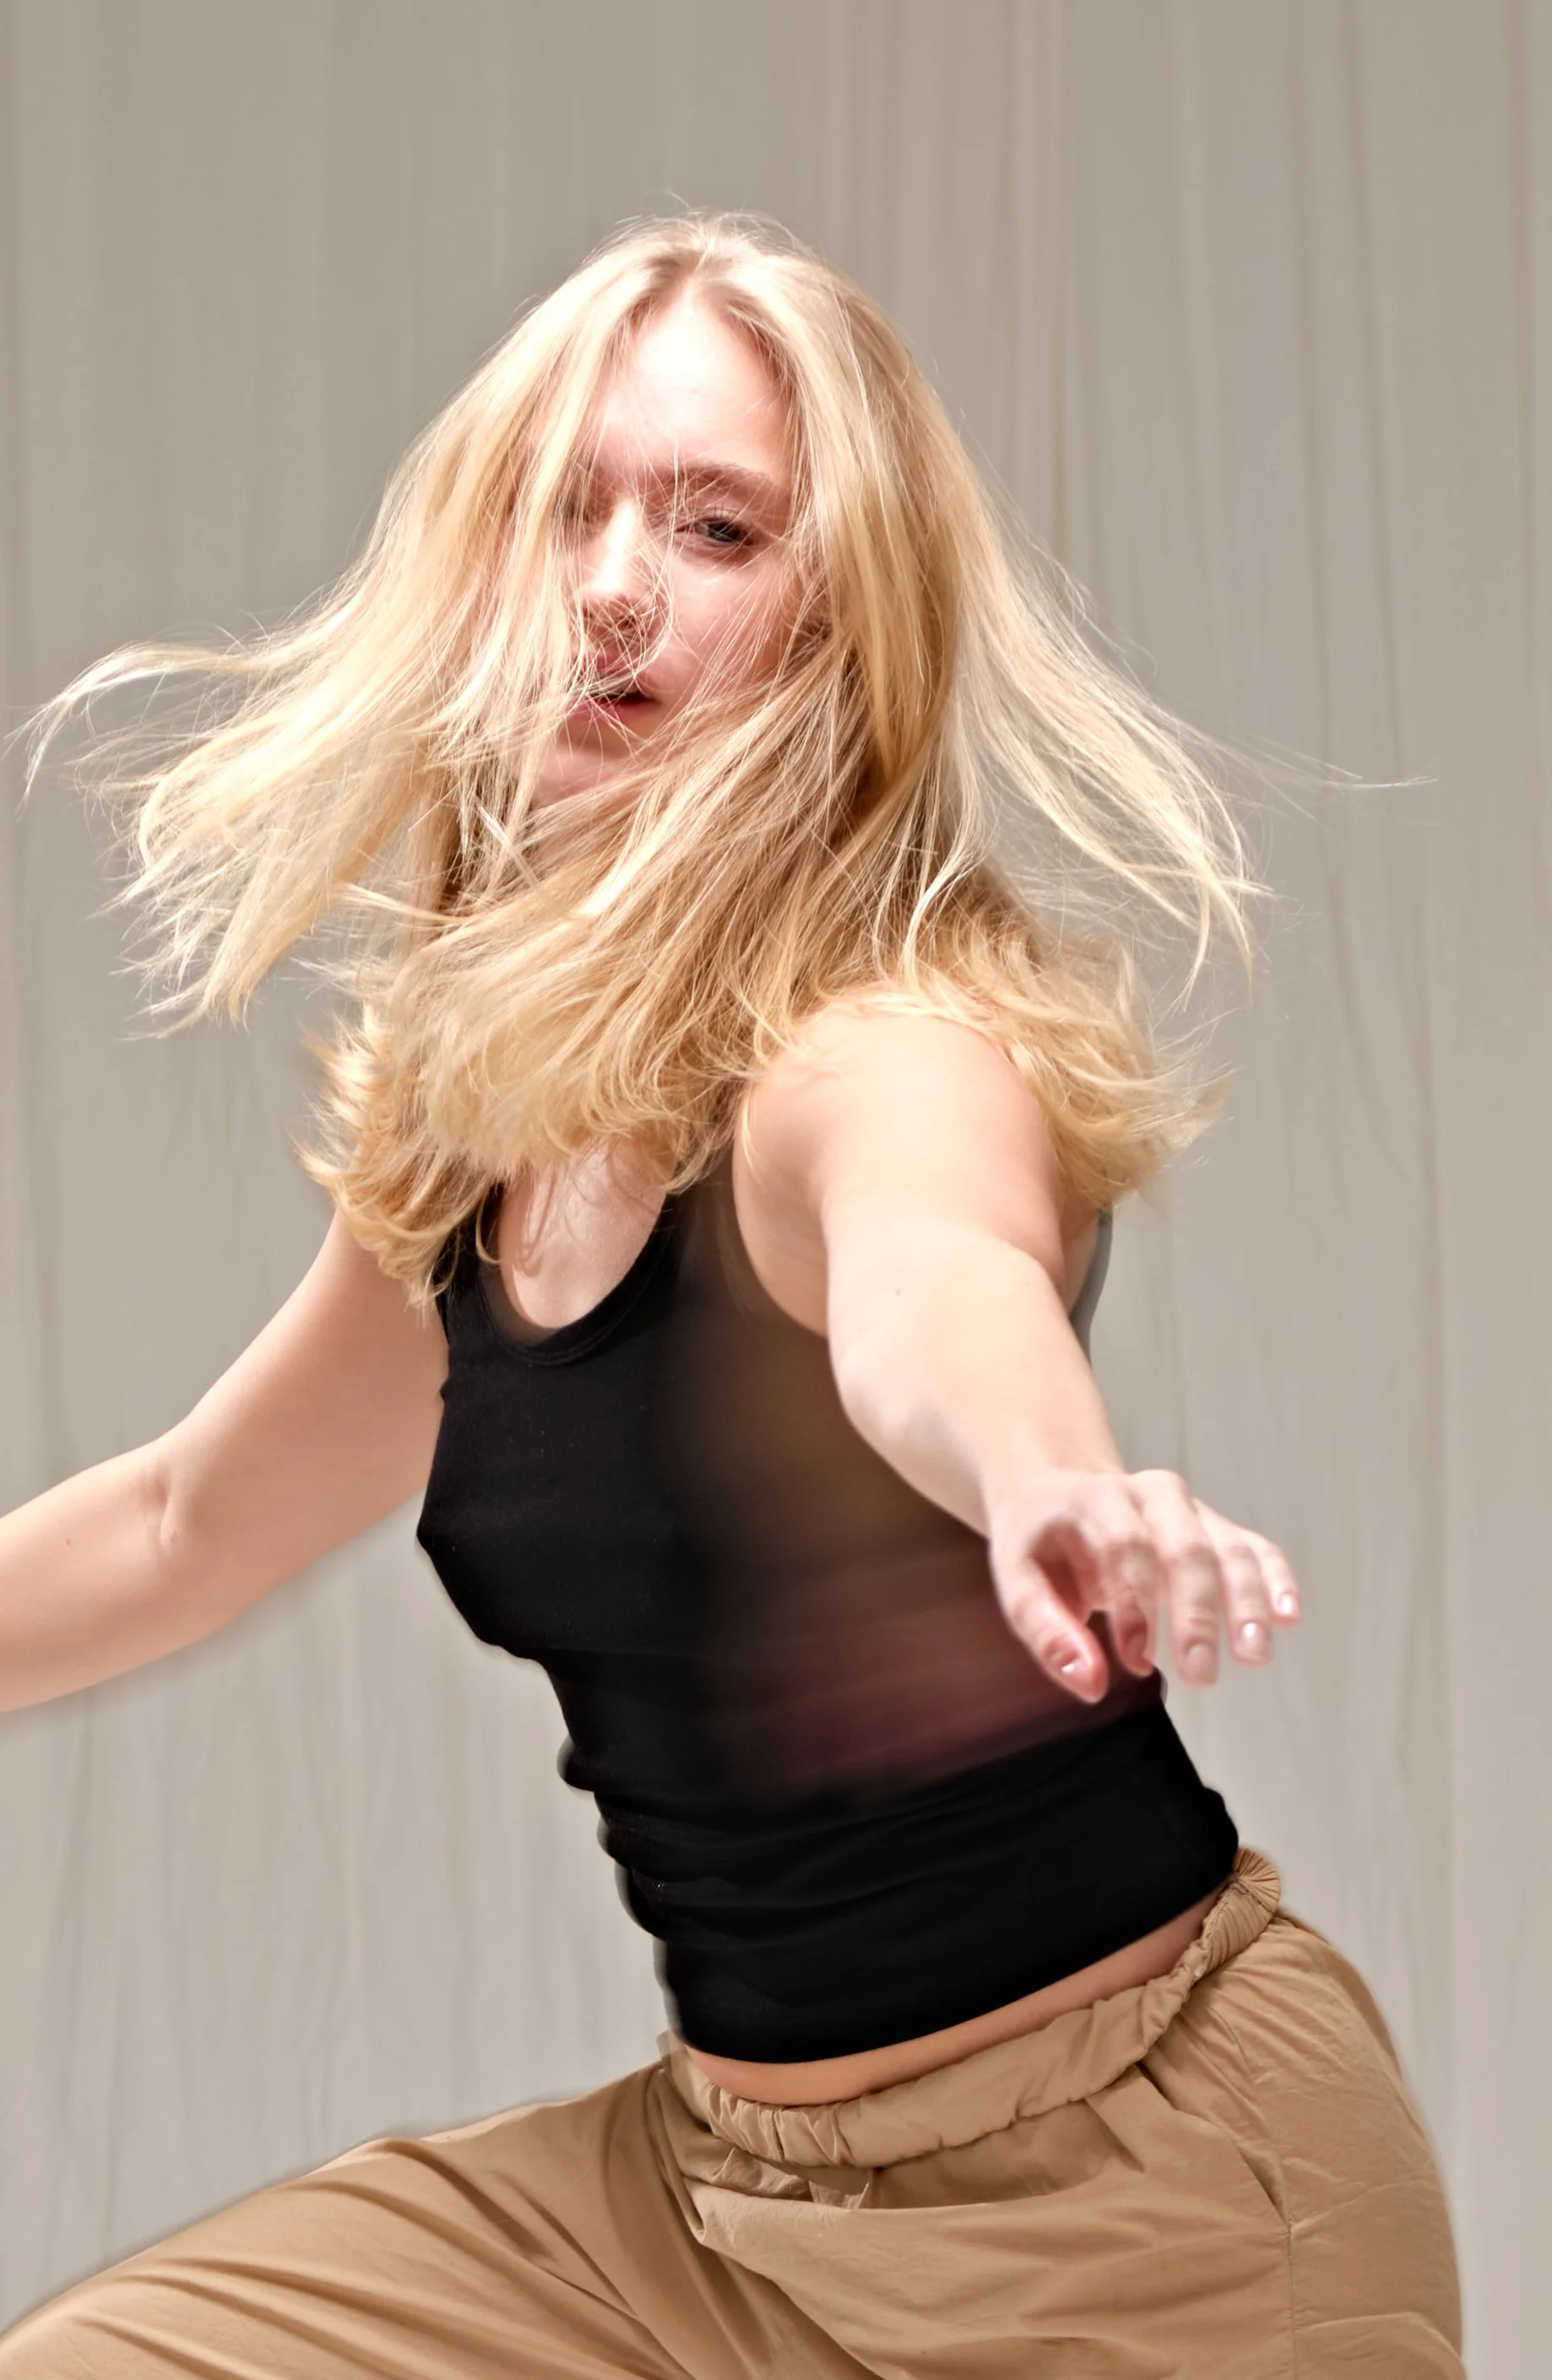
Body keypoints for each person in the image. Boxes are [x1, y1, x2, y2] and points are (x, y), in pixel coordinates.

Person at [0, 215, 1462, 2377]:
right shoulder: (471, 1119)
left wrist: (1049, 1477)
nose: (612, 581)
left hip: (1143, 2215)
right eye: (562, 509)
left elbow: (932, 1283)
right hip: (705, 2221)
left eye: (715, 525)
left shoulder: (881, 1046)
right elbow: (188, 1521)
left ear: (844, 624)